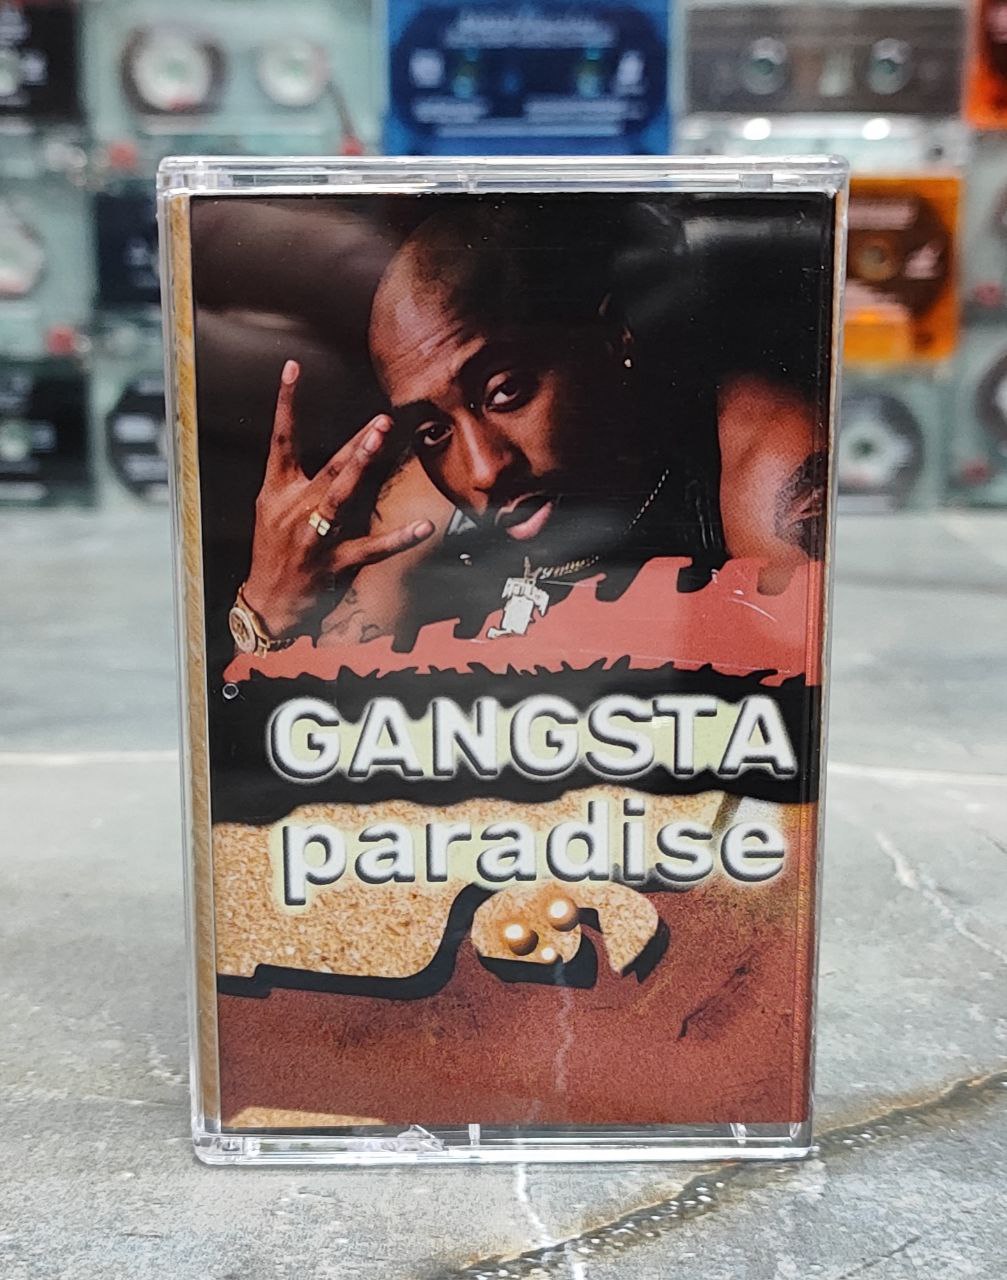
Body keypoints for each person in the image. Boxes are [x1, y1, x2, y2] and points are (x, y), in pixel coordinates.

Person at [227, 200, 827, 657]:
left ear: (610, 336)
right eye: (433, 430)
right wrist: (267, 611)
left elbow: (791, 720)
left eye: (505, 391)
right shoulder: (424, 507)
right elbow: (316, 733)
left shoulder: (760, 460)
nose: (484, 470)